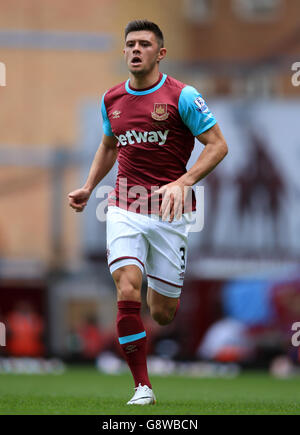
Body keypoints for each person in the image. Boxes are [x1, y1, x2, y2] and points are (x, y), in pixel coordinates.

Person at [68, 20, 228, 405]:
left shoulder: (183, 96)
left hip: (171, 213)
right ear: (124, 52)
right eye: (130, 44)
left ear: (161, 53)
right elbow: (109, 146)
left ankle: (162, 301)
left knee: (162, 313)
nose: (136, 49)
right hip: (124, 205)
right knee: (126, 285)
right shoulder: (111, 99)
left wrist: (184, 181)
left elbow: (218, 145)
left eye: (144, 44)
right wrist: (90, 186)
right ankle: (143, 386)